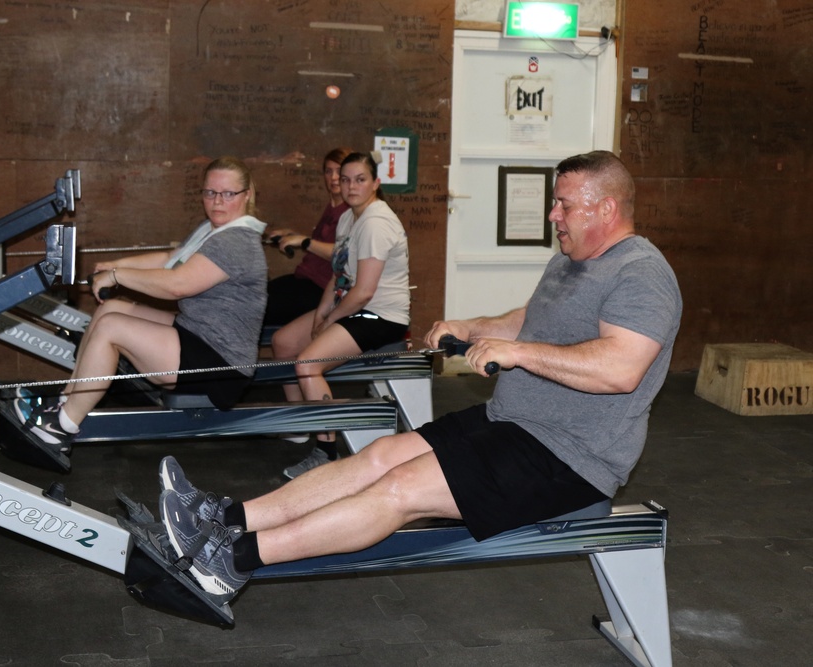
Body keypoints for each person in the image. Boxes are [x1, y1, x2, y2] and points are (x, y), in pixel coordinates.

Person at [155, 150, 683, 599]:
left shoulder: (641, 274)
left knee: (401, 490)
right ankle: (226, 519)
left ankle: (231, 562)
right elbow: (529, 318)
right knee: (381, 455)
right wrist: (475, 327)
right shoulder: (571, 260)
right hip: (512, 422)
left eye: (564, 205)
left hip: (570, 458)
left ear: (606, 207)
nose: (553, 216)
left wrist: (521, 354)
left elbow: (621, 368)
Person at [13, 156, 268, 465]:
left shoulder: (236, 241)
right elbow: (170, 259)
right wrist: (117, 265)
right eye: (210, 192)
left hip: (220, 365)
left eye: (228, 194)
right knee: (113, 310)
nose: (217, 202)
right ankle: (66, 402)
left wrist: (118, 277)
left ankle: (61, 427)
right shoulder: (214, 229)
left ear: (247, 195)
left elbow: (177, 284)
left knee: (112, 329)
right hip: (199, 334)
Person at [270, 152, 410, 479]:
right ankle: (301, 422)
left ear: (376, 183)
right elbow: (338, 273)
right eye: (345, 180)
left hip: (382, 317)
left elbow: (363, 292)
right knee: (284, 341)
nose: (350, 186)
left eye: (360, 179)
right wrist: (321, 314)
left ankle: (325, 451)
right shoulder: (349, 218)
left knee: (307, 364)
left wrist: (330, 322)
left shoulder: (376, 222)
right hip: (353, 308)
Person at [263, 147, 352, 327]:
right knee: (257, 295)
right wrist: (291, 235)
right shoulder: (333, 206)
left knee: (258, 308)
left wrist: (303, 241)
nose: (333, 177)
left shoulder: (351, 210)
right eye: (328, 171)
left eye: (339, 171)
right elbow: (323, 242)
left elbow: (342, 253)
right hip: (305, 279)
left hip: (322, 288)